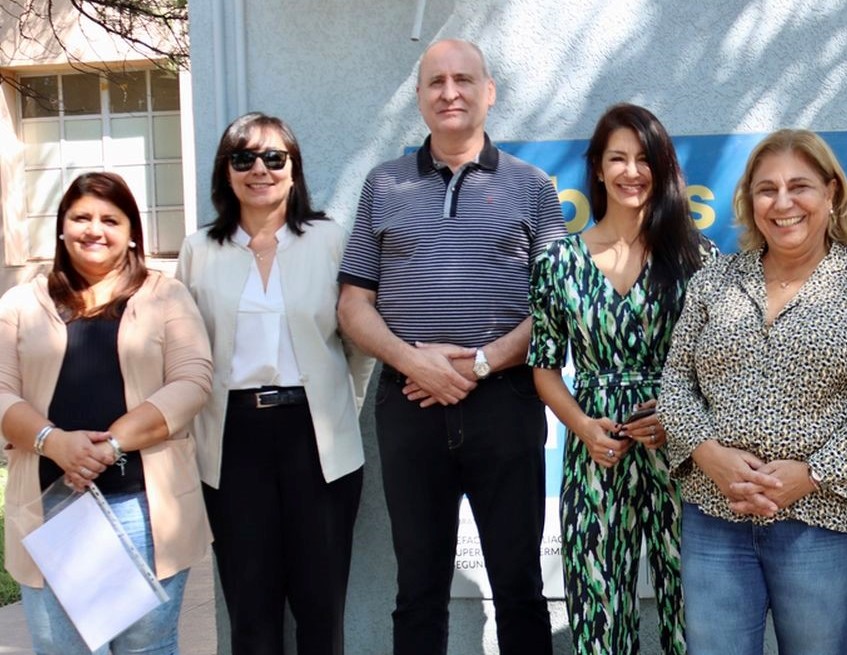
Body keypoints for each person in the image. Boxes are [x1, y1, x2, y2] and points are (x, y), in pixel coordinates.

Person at [336, 38, 566, 654]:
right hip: (409, 404)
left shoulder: (532, 187)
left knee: (520, 587)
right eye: (435, 82)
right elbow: (352, 304)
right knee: (418, 589)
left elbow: (557, 306)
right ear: (419, 98)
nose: (450, 92)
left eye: (463, 79)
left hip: (506, 406)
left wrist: (482, 363)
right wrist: (415, 362)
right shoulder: (383, 185)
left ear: (489, 93)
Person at [660, 128, 847, 654]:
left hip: (821, 520)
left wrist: (811, 474)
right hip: (716, 513)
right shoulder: (714, 281)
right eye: (766, 189)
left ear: (831, 192)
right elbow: (677, 382)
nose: (782, 203)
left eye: (799, 186)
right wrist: (709, 455)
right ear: (749, 201)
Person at [176, 112, 372, 655]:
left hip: (319, 439)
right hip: (231, 442)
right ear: (226, 172)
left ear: (293, 170)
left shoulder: (329, 240)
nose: (259, 169)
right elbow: (184, 354)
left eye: (273, 158)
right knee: (250, 611)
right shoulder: (199, 250)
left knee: (321, 608)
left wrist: (342, 410)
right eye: (243, 158)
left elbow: (358, 344)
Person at [0, 172, 213, 653]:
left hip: (143, 507)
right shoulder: (20, 303)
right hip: (50, 508)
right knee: (62, 648)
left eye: (110, 220)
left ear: (132, 232)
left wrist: (110, 444)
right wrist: (54, 442)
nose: (94, 229)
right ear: (61, 228)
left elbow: (192, 382)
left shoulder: (166, 296)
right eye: (81, 218)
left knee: (146, 647)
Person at [529, 103, 711, 655]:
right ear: (598, 167)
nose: (632, 171)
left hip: (685, 453)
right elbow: (544, 367)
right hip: (596, 451)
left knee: (696, 616)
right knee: (599, 616)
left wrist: (678, 414)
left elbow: (720, 366)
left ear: (664, 167)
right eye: (618, 158)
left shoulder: (698, 257)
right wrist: (583, 427)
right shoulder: (558, 263)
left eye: (644, 158)